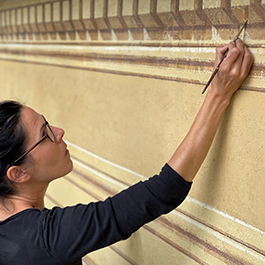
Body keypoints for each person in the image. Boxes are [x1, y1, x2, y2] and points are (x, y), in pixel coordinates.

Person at [0, 39, 253, 265]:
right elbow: (164, 190)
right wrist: (218, 95)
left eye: (47, 122)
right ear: (18, 173)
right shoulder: (46, 239)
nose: (59, 131)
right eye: (45, 134)